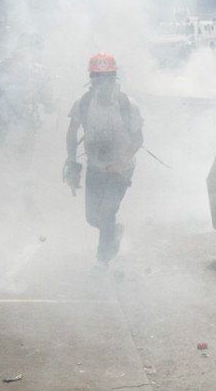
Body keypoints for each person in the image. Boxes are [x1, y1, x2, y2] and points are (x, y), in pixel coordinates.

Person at [64, 52, 144, 271]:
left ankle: (102, 259)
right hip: (95, 167)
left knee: (107, 212)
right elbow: (72, 131)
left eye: (108, 76)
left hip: (121, 170)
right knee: (92, 217)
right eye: (98, 77)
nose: (103, 82)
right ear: (91, 79)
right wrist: (72, 163)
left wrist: (120, 162)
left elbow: (138, 139)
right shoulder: (83, 103)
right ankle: (114, 233)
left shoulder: (128, 105)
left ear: (115, 78)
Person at [0, 33, 55, 212]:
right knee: (23, 162)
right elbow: (48, 101)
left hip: (5, 124)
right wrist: (49, 105)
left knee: (12, 160)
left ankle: (15, 200)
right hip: (23, 123)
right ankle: (24, 201)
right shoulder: (36, 70)